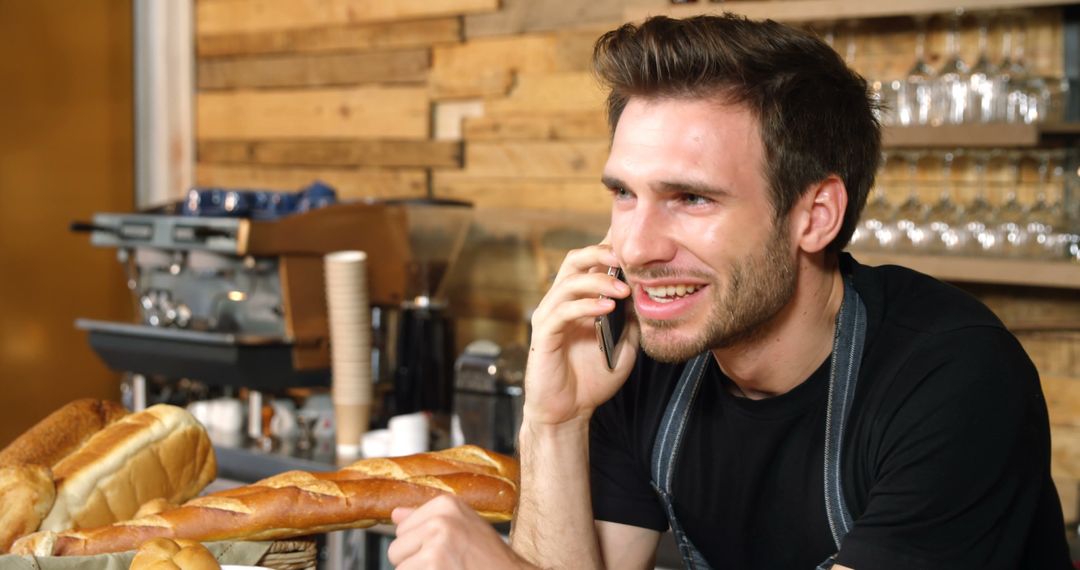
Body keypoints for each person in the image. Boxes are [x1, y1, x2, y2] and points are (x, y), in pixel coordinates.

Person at [387, 14, 1072, 570]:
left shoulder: (953, 377)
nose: (636, 247)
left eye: (689, 198)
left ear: (815, 216)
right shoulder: (645, 349)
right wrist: (555, 419)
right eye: (625, 194)